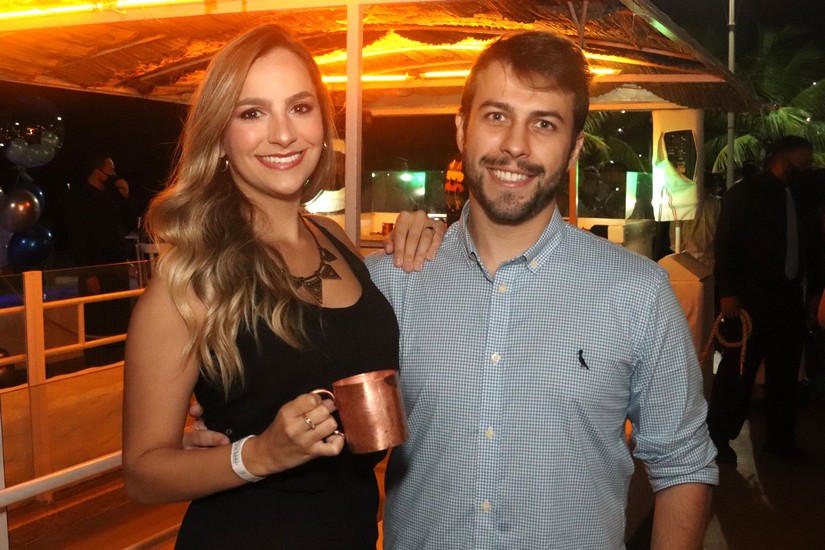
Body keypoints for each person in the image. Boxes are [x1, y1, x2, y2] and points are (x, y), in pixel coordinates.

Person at [370, 31, 717, 549]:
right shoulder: (393, 279)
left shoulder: (638, 294)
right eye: (497, 116)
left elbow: (683, 464)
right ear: (462, 129)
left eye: (544, 124)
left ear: (573, 149)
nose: (515, 145)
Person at [122, 25, 443, 549]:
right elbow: (141, 474)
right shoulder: (191, 280)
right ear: (220, 136)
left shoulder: (334, 239)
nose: (284, 134)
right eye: (252, 113)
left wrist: (432, 237)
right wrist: (258, 455)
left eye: (299, 107)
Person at [709, 136, 825, 464]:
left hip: (788, 296)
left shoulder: (803, 195)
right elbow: (726, 245)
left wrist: (814, 291)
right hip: (749, 296)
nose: (808, 165)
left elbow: (814, 245)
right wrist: (728, 293)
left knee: (785, 373)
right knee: (738, 370)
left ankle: (779, 440)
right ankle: (718, 438)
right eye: (803, 158)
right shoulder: (746, 193)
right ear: (782, 157)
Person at [67, 156, 138, 359]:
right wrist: (88, 273)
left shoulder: (111, 195)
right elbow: (78, 239)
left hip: (116, 264)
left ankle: (119, 354)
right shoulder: (80, 198)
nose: (113, 175)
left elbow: (130, 222)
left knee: (120, 311)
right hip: (95, 266)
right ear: (97, 172)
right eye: (110, 171)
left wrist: (126, 195)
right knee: (96, 315)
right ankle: (96, 358)